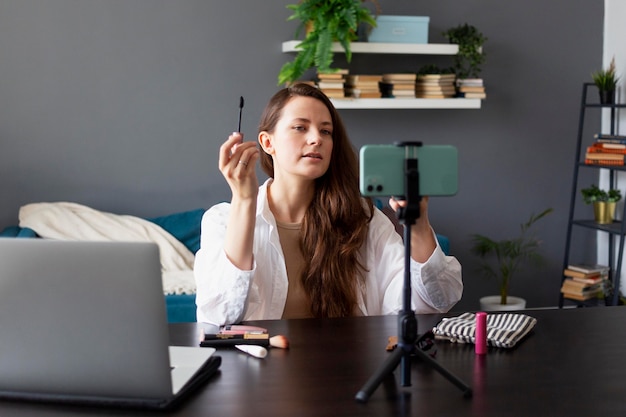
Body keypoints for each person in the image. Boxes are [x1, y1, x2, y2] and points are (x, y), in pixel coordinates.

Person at [194, 83, 462, 325]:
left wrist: (419, 222)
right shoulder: (223, 220)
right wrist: (244, 200)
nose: (316, 139)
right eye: (300, 127)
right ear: (267, 142)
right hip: (260, 372)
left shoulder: (361, 217)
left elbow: (433, 302)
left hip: (348, 369)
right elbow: (221, 315)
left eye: (326, 131)